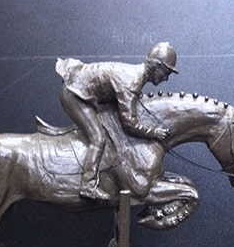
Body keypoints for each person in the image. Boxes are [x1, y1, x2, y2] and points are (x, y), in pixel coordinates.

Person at [56, 42, 178, 200]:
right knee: (98, 139)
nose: (166, 78)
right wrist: (155, 132)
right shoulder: (132, 82)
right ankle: (88, 185)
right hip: (75, 95)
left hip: (85, 92)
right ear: (157, 66)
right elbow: (129, 124)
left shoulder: (135, 77)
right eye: (166, 72)